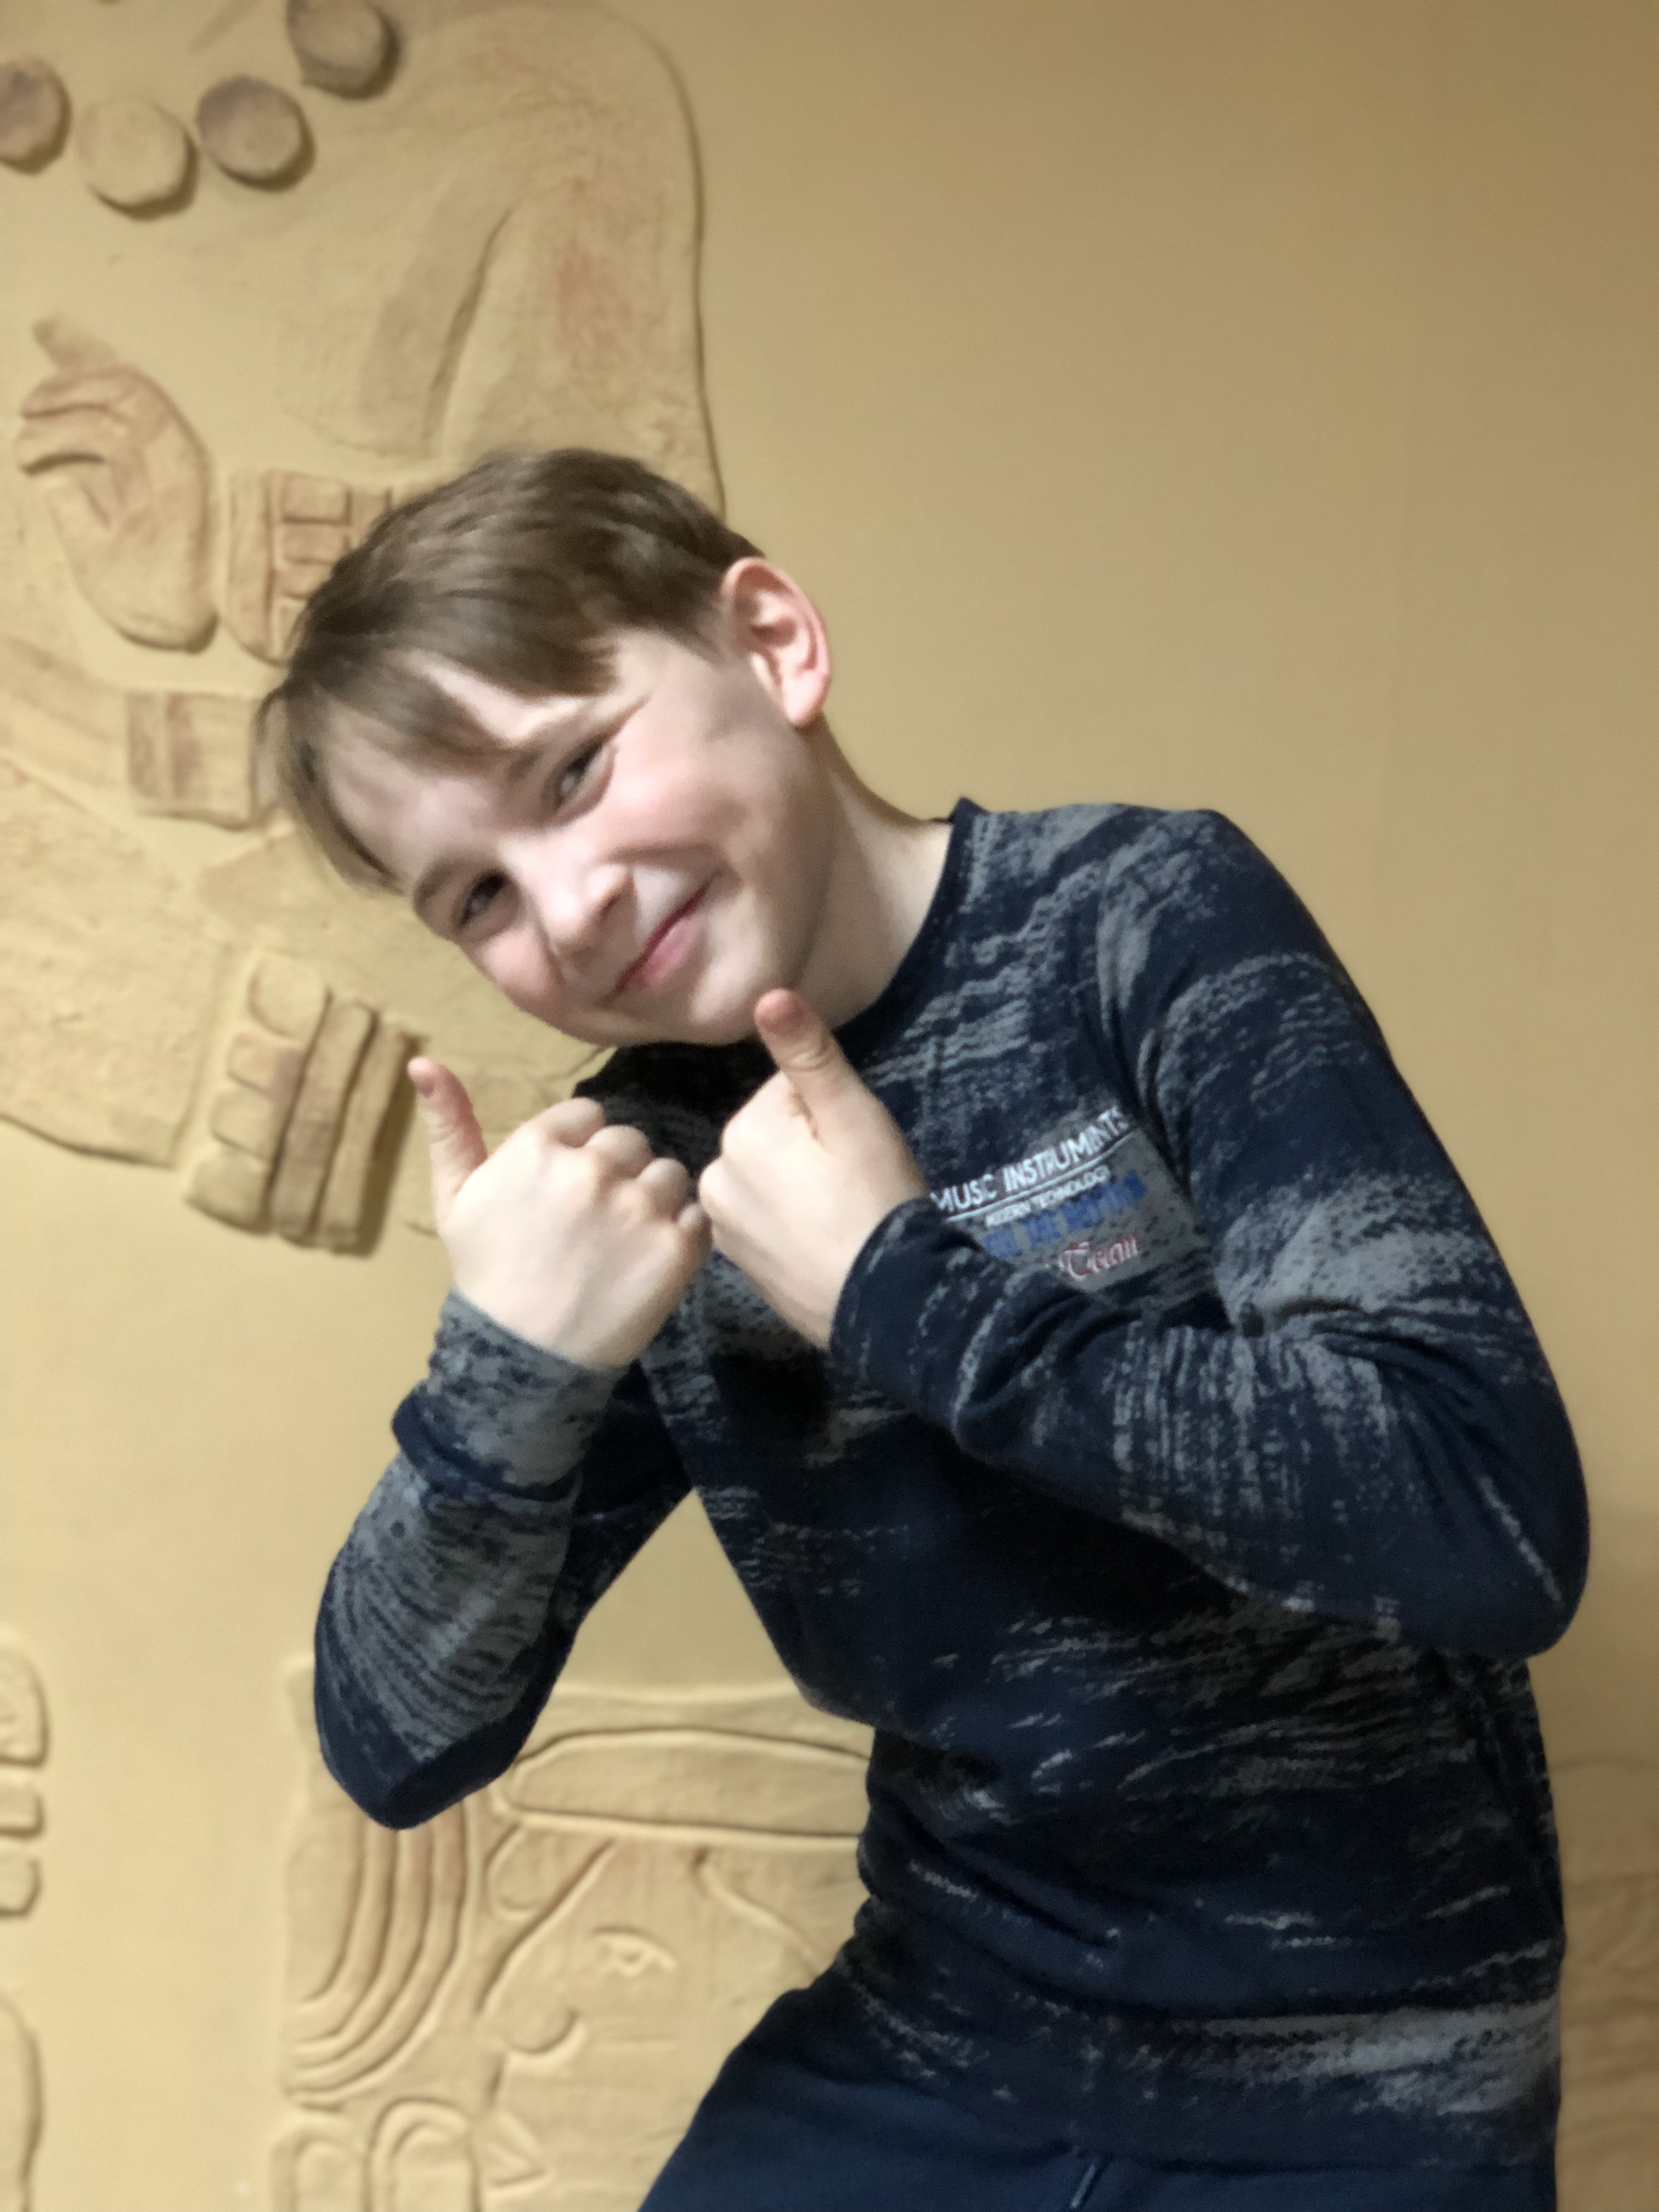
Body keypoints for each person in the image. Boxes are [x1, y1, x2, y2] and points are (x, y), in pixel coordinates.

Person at [259, 448, 1586, 2210]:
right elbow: (395, 1746)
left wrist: (907, 1292)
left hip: (1365, 2086)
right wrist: (510, 1369)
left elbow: (1488, 1517)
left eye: (572, 772)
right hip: (946, 2041)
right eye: (476, 899)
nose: (566, 908)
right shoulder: (648, 1170)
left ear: (775, 642)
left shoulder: (1139, 917)